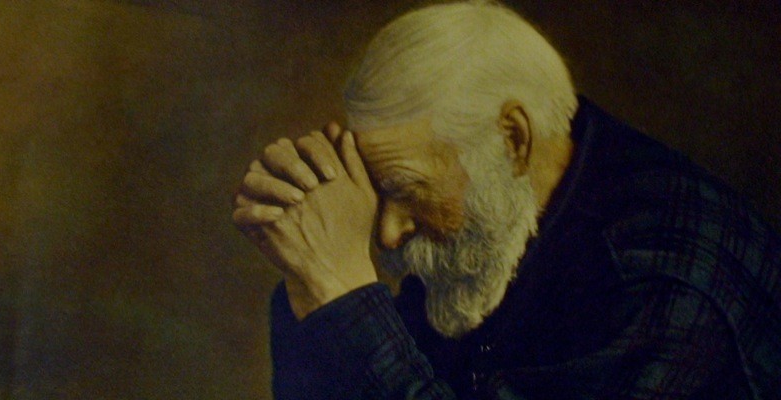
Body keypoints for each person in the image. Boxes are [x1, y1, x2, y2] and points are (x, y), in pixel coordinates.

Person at [231, 2, 781, 399]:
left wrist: (342, 292)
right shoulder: (494, 221)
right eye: (378, 194)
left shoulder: (661, 283)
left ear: (513, 140)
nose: (388, 234)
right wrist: (309, 278)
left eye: (407, 191)